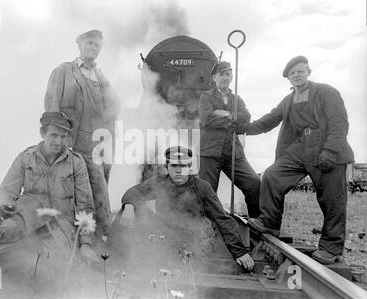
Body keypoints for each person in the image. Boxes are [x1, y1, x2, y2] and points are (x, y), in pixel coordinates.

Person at [245, 56, 354, 264]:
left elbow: (339, 123)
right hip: (301, 146)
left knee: (332, 200)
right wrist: (245, 128)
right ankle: (269, 221)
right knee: (272, 175)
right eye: (292, 73)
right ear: (288, 78)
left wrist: (330, 151)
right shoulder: (288, 100)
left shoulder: (326, 92)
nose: (296, 75)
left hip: (327, 145)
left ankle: (331, 248)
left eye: (300, 71)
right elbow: (270, 120)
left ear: (308, 72)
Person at [0, 112, 98, 266]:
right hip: (27, 220)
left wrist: (85, 244)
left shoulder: (76, 163)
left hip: (61, 227)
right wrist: (6, 209)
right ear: (42, 133)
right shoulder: (26, 158)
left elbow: (85, 207)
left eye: (63, 136)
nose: (58, 141)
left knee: (54, 266)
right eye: (54, 135)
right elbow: (5, 193)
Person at [119, 146, 255, 271]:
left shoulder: (202, 187)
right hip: (165, 236)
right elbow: (135, 192)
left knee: (188, 266)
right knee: (128, 208)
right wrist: (129, 208)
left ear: (189, 167)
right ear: (167, 167)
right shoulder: (160, 182)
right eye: (174, 166)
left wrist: (240, 252)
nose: (178, 170)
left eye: (183, 166)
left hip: (193, 240)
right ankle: (116, 259)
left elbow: (222, 219)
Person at [44, 29, 120, 238]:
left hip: (96, 144)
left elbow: (114, 110)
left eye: (97, 45)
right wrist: (57, 139)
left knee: (99, 191)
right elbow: (51, 107)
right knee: (67, 190)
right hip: (70, 140)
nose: (92, 48)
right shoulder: (64, 71)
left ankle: (102, 239)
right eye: (89, 43)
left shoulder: (101, 78)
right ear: (79, 46)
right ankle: (66, 237)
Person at [198, 61, 261, 218]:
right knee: (207, 191)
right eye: (222, 74)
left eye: (228, 74)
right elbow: (207, 119)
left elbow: (245, 119)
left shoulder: (237, 99)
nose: (226, 78)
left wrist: (226, 114)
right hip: (211, 151)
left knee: (254, 183)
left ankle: (256, 223)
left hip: (233, 151)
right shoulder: (206, 97)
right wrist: (233, 119)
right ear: (214, 77)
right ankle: (206, 226)